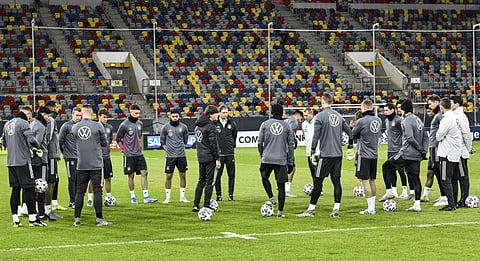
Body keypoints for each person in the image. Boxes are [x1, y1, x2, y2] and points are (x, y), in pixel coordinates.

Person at [297, 93, 353, 218]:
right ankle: (336, 209)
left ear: (322, 102)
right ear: (332, 102)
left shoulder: (320, 117)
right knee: (336, 181)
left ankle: (311, 209)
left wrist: (312, 151)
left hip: (326, 154)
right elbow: (350, 132)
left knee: (318, 181)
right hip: (338, 154)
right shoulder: (339, 116)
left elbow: (316, 136)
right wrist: (350, 146)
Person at [3, 106, 46, 226]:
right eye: (30, 116)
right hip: (23, 161)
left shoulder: (8, 124)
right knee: (29, 188)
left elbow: (4, 142)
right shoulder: (24, 123)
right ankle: (32, 218)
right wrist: (37, 147)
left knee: (15, 189)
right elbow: (31, 139)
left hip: (11, 162)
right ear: (27, 114)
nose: (30, 118)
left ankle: (15, 218)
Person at [382, 99, 428, 212]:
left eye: (400, 109)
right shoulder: (418, 119)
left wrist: (419, 148)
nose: (399, 111)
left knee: (386, 166)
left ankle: (389, 192)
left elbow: (410, 138)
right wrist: (423, 151)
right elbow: (426, 137)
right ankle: (417, 204)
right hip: (416, 155)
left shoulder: (407, 120)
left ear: (404, 109)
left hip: (406, 153)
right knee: (415, 178)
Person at [71, 105, 111, 226]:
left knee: (80, 192)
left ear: (82, 113)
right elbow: (104, 143)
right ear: (92, 113)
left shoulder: (75, 127)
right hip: (96, 164)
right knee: (97, 191)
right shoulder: (97, 125)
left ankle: (77, 219)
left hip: (81, 164)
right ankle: (99, 219)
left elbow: (74, 140)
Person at [258, 103, 295, 218]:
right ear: (282, 112)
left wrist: (262, 155)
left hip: (267, 158)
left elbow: (260, 142)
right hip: (281, 159)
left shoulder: (265, 124)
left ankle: (271, 197)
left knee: (264, 177)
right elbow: (291, 145)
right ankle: (280, 212)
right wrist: (290, 162)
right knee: (281, 186)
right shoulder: (287, 126)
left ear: (271, 112)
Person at [117, 105, 157, 204]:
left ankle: (146, 196)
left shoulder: (140, 123)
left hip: (139, 153)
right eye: (136, 113)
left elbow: (139, 136)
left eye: (139, 113)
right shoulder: (124, 125)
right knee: (131, 175)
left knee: (144, 172)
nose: (137, 115)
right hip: (129, 154)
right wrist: (123, 149)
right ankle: (133, 196)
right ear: (130, 112)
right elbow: (118, 139)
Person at [352, 100, 382, 214]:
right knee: (372, 180)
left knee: (365, 181)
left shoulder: (361, 121)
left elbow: (353, 134)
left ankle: (370, 208)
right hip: (374, 154)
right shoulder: (378, 120)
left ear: (363, 108)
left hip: (363, 154)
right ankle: (372, 206)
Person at [436, 98, 462, 211]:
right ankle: (454, 202)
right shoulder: (455, 117)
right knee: (453, 180)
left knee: (445, 179)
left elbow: (438, 136)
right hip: (455, 153)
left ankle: (451, 204)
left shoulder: (447, 119)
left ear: (441, 106)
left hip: (447, 153)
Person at [192, 105, 220, 212]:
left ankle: (195, 204)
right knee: (209, 182)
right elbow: (213, 143)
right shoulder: (210, 126)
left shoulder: (197, 126)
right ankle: (206, 204)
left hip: (201, 157)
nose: (217, 115)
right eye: (216, 113)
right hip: (209, 158)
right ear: (210, 115)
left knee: (201, 181)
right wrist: (217, 158)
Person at [379, 103, 408, 201]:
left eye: (386, 110)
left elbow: (404, 133)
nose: (385, 112)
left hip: (398, 150)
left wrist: (403, 147)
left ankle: (405, 190)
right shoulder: (386, 120)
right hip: (390, 149)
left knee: (401, 170)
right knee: (391, 171)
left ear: (392, 110)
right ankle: (393, 190)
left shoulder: (399, 120)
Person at [160, 109, 190, 204]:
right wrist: (168, 150)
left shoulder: (184, 127)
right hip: (170, 157)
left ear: (179, 117)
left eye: (176, 116)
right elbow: (162, 141)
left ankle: (182, 197)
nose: (175, 118)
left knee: (183, 175)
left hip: (181, 155)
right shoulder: (165, 128)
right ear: (170, 116)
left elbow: (185, 140)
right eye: (173, 116)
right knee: (169, 175)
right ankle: (167, 197)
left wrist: (180, 148)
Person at [87, 108, 116, 205]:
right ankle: (90, 198)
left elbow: (110, 140)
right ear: (99, 117)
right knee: (93, 178)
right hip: (96, 158)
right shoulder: (93, 127)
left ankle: (108, 196)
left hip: (106, 157)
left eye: (107, 117)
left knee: (108, 178)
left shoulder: (109, 127)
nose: (106, 119)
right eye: (104, 117)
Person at [422, 95, 448, 206]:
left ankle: (444, 197)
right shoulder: (437, 116)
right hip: (434, 146)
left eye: (431, 103)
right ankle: (443, 196)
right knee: (435, 171)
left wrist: (437, 142)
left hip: (436, 147)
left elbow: (443, 130)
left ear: (437, 103)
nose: (430, 106)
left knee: (438, 171)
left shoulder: (439, 116)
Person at [44, 101, 66, 218]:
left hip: (51, 155)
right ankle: (47, 210)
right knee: (51, 181)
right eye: (56, 107)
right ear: (52, 108)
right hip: (51, 155)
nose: (58, 109)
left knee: (53, 180)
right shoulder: (51, 120)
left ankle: (46, 208)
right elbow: (48, 136)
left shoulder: (49, 119)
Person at [450, 96, 472, 208]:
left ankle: (464, 199)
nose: (450, 105)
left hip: (460, 151)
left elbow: (466, 133)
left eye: (451, 103)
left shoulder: (460, 117)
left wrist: (468, 148)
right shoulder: (454, 116)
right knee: (456, 176)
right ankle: (456, 199)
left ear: (457, 104)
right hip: (455, 151)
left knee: (462, 175)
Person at [30, 106, 52, 221]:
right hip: (41, 159)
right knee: (41, 185)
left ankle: (33, 211)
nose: (48, 118)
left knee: (34, 185)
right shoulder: (40, 126)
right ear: (43, 115)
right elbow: (37, 143)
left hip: (33, 159)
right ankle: (41, 213)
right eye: (48, 116)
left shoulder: (33, 123)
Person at [58, 107, 82, 208]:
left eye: (80, 115)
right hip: (70, 157)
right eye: (77, 115)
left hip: (81, 157)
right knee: (71, 179)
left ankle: (77, 200)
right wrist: (65, 153)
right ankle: (72, 201)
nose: (78, 117)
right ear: (72, 114)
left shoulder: (82, 126)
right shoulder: (66, 126)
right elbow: (60, 141)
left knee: (79, 180)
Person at [214, 105, 238, 201]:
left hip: (229, 153)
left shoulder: (232, 123)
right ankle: (218, 195)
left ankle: (230, 195)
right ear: (219, 113)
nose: (225, 114)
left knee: (231, 174)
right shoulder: (215, 123)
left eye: (226, 112)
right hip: (219, 154)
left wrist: (231, 145)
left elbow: (234, 135)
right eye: (223, 112)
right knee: (218, 175)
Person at [284, 110, 303, 197]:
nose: (301, 120)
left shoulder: (287, 120)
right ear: (298, 116)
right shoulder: (294, 122)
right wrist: (294, 141)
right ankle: (287, 190)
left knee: (283, 167)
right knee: (292, 168)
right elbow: (290, 132)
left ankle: (281, 185)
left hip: (281, 147)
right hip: (288, 148)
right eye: (301, 118)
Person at [302, 108, 319, 182]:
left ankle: (318, 188)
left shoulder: (317, 122)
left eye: (306, 115)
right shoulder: (304, 124)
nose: (305, 117)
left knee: (318, 172)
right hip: (309, 151)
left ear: (311, 114)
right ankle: (317, 188)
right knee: (312, 171)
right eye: (304, 116)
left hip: (318, 150)